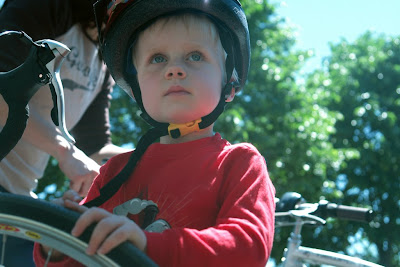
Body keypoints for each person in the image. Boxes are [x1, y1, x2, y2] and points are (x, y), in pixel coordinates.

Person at [33, 0, 276, 266]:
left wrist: (149, 246)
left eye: (195, 56)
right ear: (136, 86)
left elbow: (247, 249)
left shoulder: (240, 163)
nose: (174, 70)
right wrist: (56, 242)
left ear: (228, 81)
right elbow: (84, 256)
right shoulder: (113, 173)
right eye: (157, 58)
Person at [0, 0, 130, 266]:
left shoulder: (102, 62)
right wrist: (66, 152)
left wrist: (151, 156)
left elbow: (95, 145)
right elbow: (2, 93)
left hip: (19, 200)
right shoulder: (47, 7)